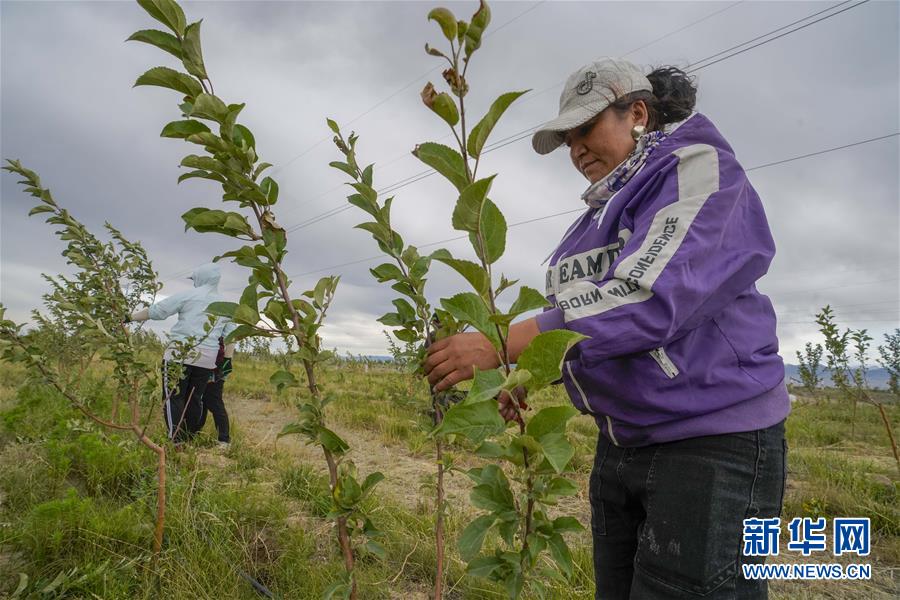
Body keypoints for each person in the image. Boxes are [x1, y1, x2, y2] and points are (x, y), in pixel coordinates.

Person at [424, 58, 789, 599]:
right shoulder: (597, 216)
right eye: (568, 138)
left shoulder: (697, 170)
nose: (576, 150)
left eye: (586, 128)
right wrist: (533, 368)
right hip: (622, 443)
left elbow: (648, 296)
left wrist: (505, 344)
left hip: (710, 445)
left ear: (637, 112)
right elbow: (588, 318)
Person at [128, 262, 236, 448]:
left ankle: (176, 440)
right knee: (195, 398)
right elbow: (231, 336)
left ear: (200, 278)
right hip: (207, 359)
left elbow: (158, 311)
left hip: (179, 355)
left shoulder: (188, 295)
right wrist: (227, 360)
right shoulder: (225, 305)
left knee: (173, 396)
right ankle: (189, 437)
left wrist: (129, 317)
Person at [197, 335, 234, 449]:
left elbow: (232, 339)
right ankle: (194, 432)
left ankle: (224, 440)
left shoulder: (224, 322)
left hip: (217, 367)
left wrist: (227, 360)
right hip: (204, 365)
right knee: (200, 400)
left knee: (214, 402)